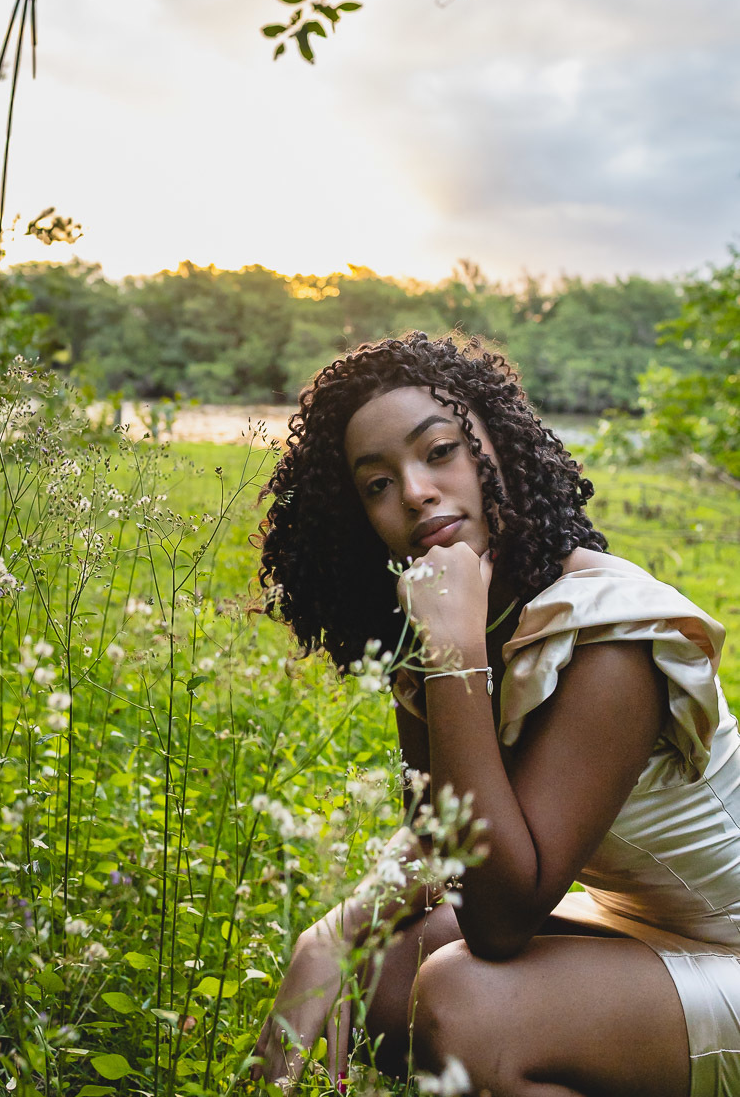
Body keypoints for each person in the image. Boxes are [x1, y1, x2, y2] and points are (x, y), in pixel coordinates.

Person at [251, 331, 740, 1097]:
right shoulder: (451, 616)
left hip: (732, 951)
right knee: (386, 970)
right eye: (377, 485)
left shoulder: (608, 631)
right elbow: (449, 846)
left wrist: (454, 657)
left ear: (498, 446)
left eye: (438, 450)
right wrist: (334, 932)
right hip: (641, 927)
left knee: (463, 1000)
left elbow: (499, 920)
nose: (414, 491)